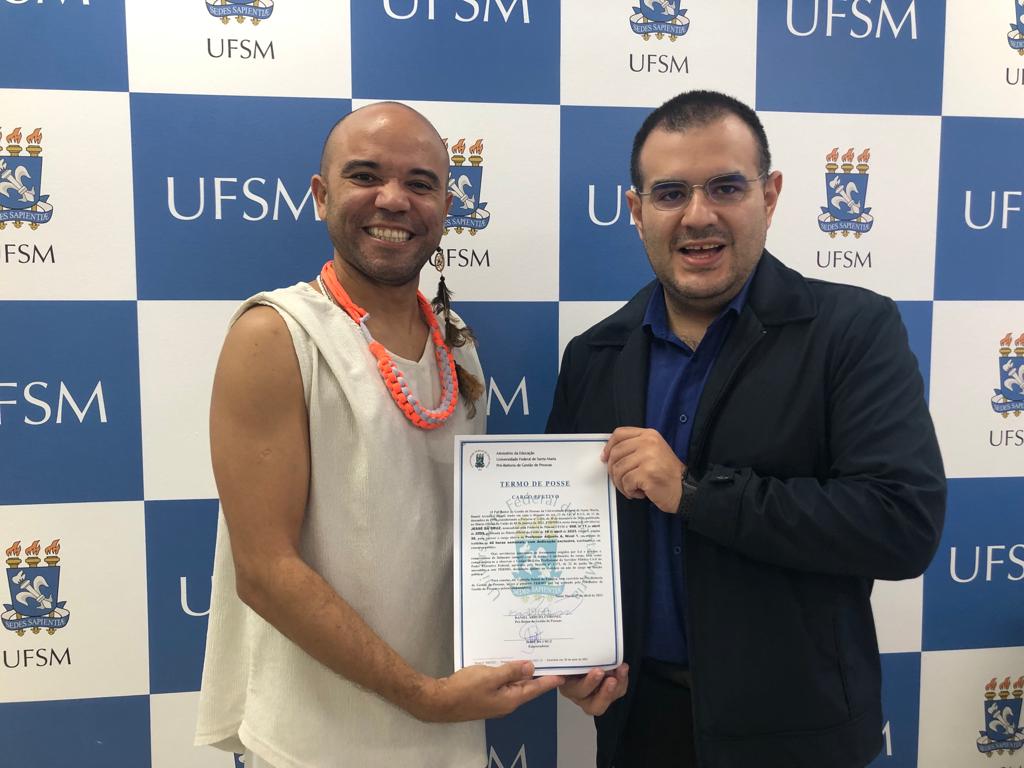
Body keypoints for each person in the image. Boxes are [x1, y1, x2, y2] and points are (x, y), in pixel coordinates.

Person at [548, 90, 945, 768]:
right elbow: (562, 536)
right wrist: (569, 655)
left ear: (770, 194)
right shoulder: (594, 355)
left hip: (800, 736)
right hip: (639, 727)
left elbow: (901, 525)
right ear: (637, 211)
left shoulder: (852, 332)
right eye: (670, 193)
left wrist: (695, 494)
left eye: (726, 187)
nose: (698, 215)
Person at [195, 101, 562, 768]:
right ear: (320, 195)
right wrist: (423, 696)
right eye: (365, 175)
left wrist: (566, 647)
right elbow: (266, 572)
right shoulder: (275, 334)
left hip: (448, 724)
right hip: (319, 742)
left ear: (446, 207)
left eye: (420, 183)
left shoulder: (455, 343)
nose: (394, 200)